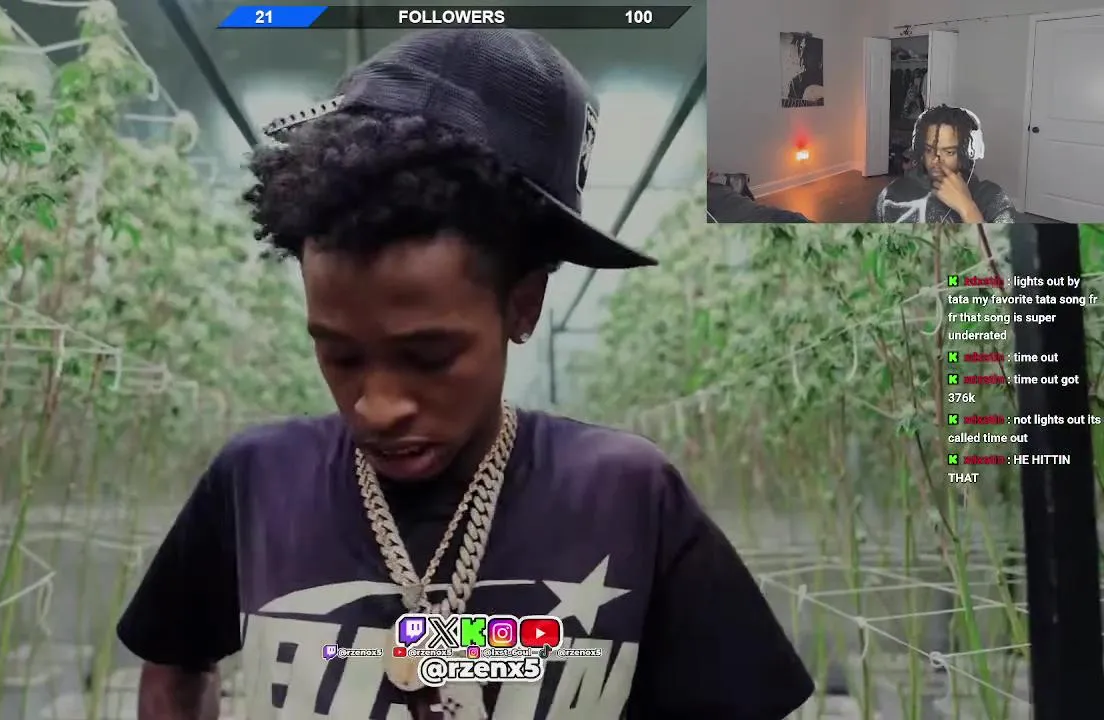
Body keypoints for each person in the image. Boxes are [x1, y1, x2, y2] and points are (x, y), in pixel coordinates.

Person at [117, 29, 815, 720]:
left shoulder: (626, 495)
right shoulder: (256, 480)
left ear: (523, 305)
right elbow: (174, 661)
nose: (377, 407)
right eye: (341, 355)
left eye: (429, 357)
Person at [872, 104, 1016, 223]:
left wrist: (968, 209)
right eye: (929, 150)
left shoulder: (991, 198)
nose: (936, 160)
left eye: (949, 152)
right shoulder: (892, 195)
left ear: (968, 152)